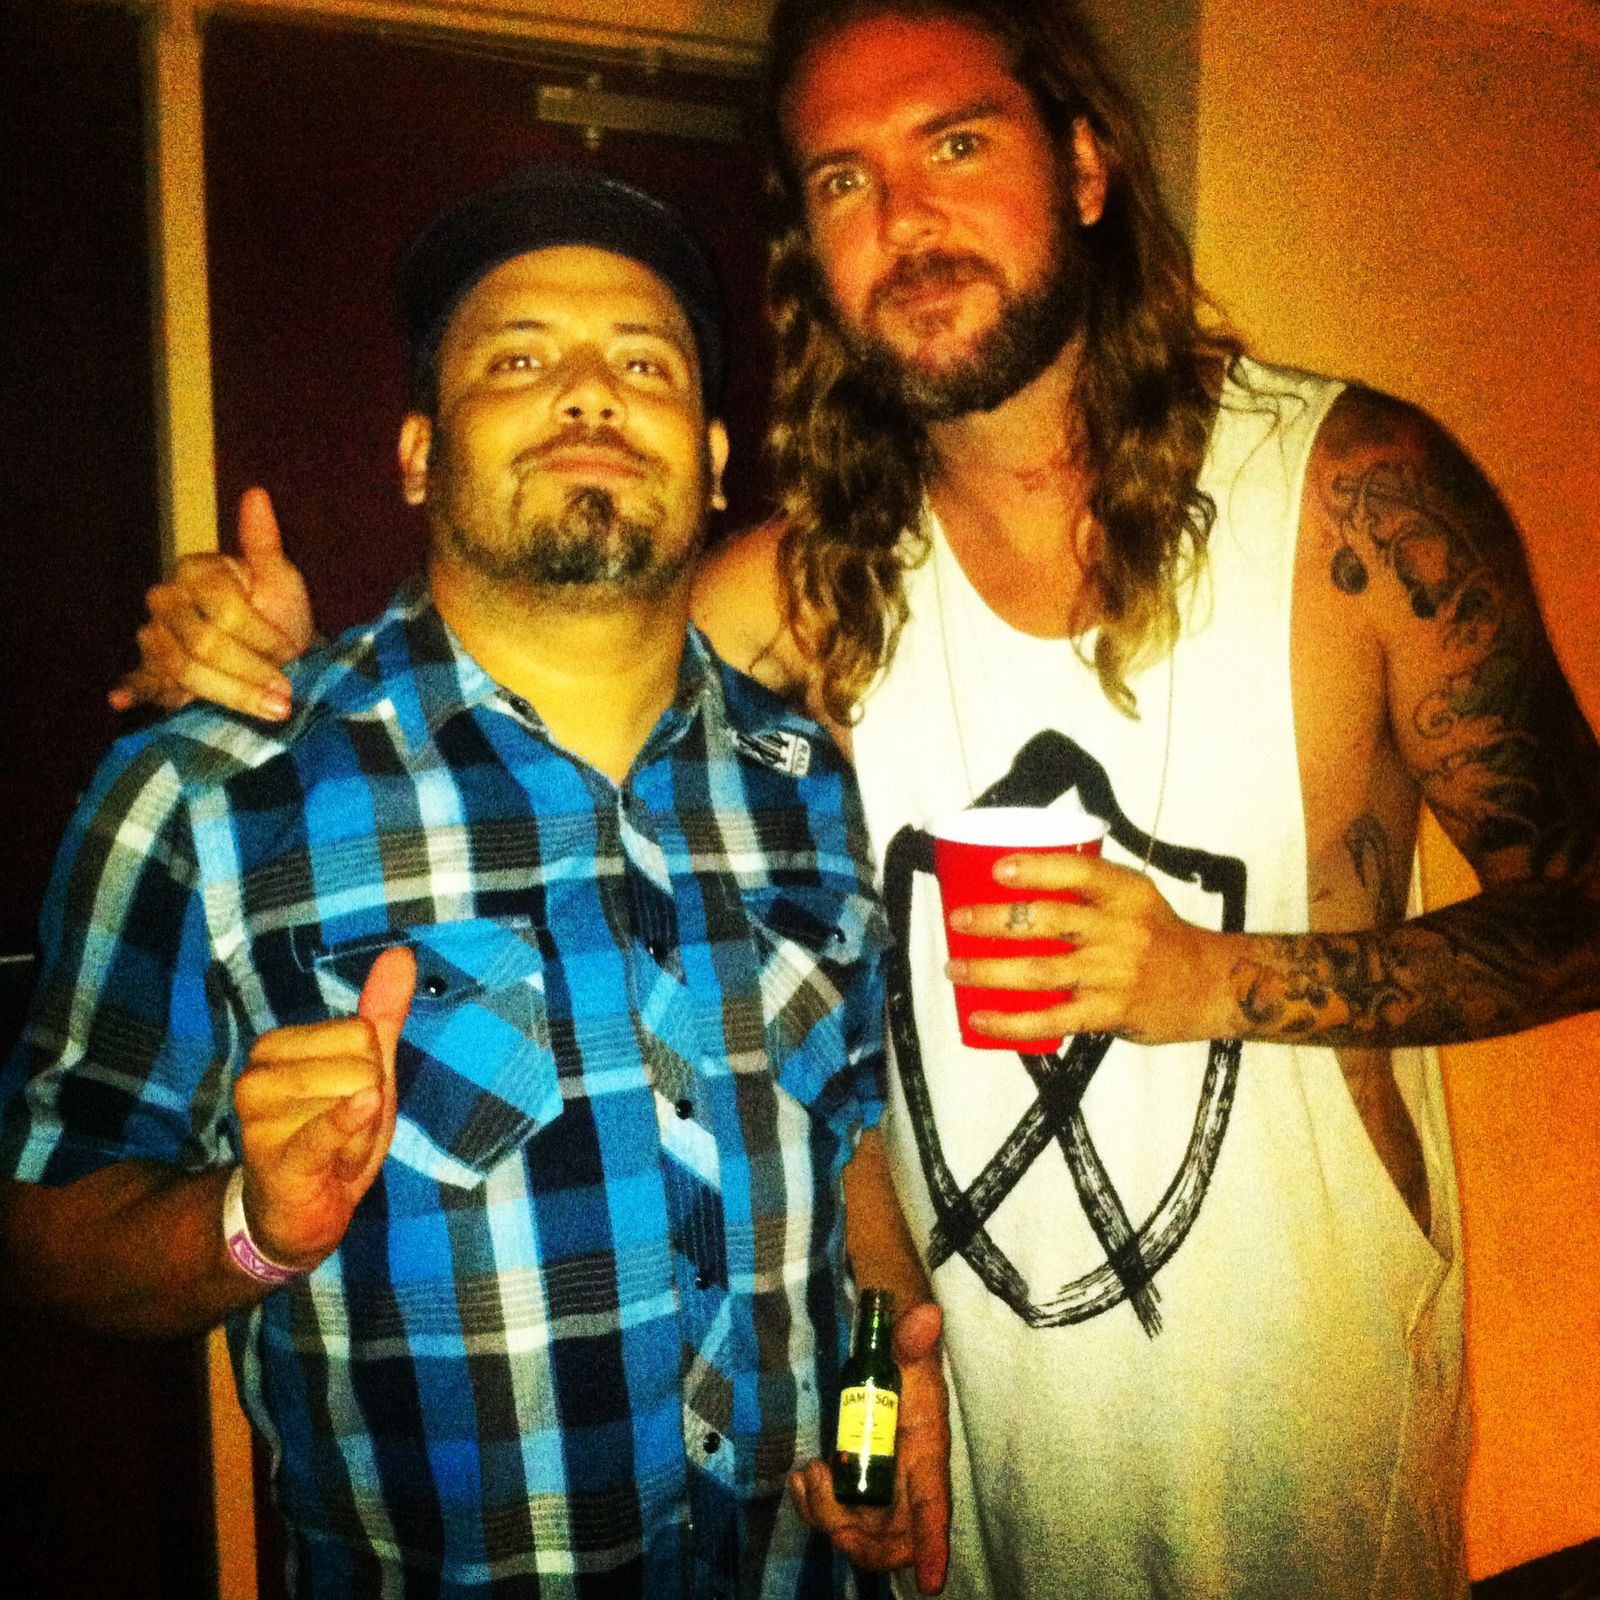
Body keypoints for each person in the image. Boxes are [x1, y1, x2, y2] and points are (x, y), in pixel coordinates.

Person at [104, 2, 1600, 1597]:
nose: (904, 218)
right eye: (840, 179)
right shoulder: (818, 591)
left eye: (955, 142)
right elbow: (537, 645)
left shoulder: (1348, 499)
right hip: (967, 1497)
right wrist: (266, 659)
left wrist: (1212, 980)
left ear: (1087, 163)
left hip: (1307, 1458)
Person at [0, 163, 954, 1600]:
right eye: (518, 361)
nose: (588, 395)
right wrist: (247, 1228)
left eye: (643, 363)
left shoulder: (807, 782)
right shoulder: (211, 795)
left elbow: (850, 1138)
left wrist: (892, 1364)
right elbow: (43, 1227)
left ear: (711, 461)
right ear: (417, 454)